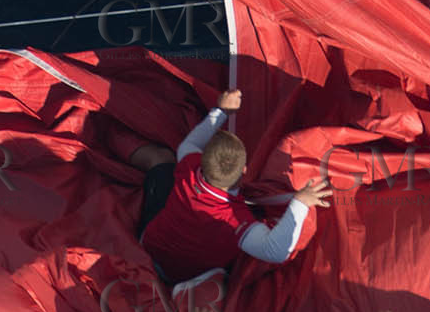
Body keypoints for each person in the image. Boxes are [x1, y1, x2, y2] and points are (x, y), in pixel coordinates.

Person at [139, 89, 334, 285]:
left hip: (149, 249)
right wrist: (300, 202)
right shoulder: (235, 220)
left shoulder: (188, 165)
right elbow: (276, 252)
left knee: (160, 161)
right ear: (244, 171)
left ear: (203, 160)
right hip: (192, 278)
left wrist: (220, 110)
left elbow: (190, 143)